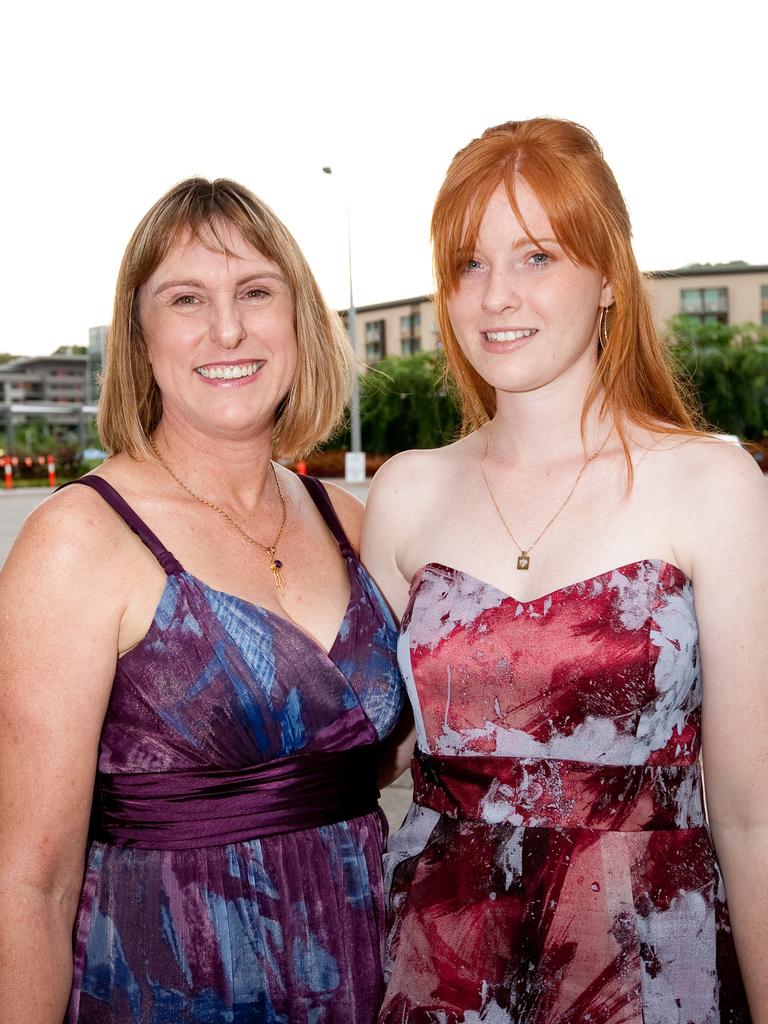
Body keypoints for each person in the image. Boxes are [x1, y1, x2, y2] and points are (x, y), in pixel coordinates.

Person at [363, 119, 766, 1022]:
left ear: (611, 276)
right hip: (440, 969)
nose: (496, 296)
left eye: (537, 256)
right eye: (469, 264)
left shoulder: (713, 484)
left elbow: (752, 817)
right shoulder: (406, 494)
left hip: (643, 970)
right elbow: (353, 756)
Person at [0, 177, 403, 1023]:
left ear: (298, 320)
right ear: (140, 338)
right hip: (170, 987)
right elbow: (27, 882)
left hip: (371, 977)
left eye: (256, 292)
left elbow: (388, 752)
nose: (228, 328)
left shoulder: (353, 524)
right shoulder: (80, 541)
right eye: (187, 298)